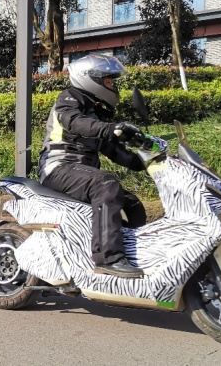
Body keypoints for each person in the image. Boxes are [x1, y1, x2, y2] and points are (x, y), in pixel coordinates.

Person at [38, 54, 147, 278]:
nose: (112, 85)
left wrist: (147, 161)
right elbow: (76, 123)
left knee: (133, 204)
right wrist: (110, 128)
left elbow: (115, 151)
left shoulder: (97, 113)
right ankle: (108, 258)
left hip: (81, 172)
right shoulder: (69, 99)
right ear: (91, 79)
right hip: (58, 166)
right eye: (108, 81)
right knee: (106, 184)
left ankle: (137, 254)